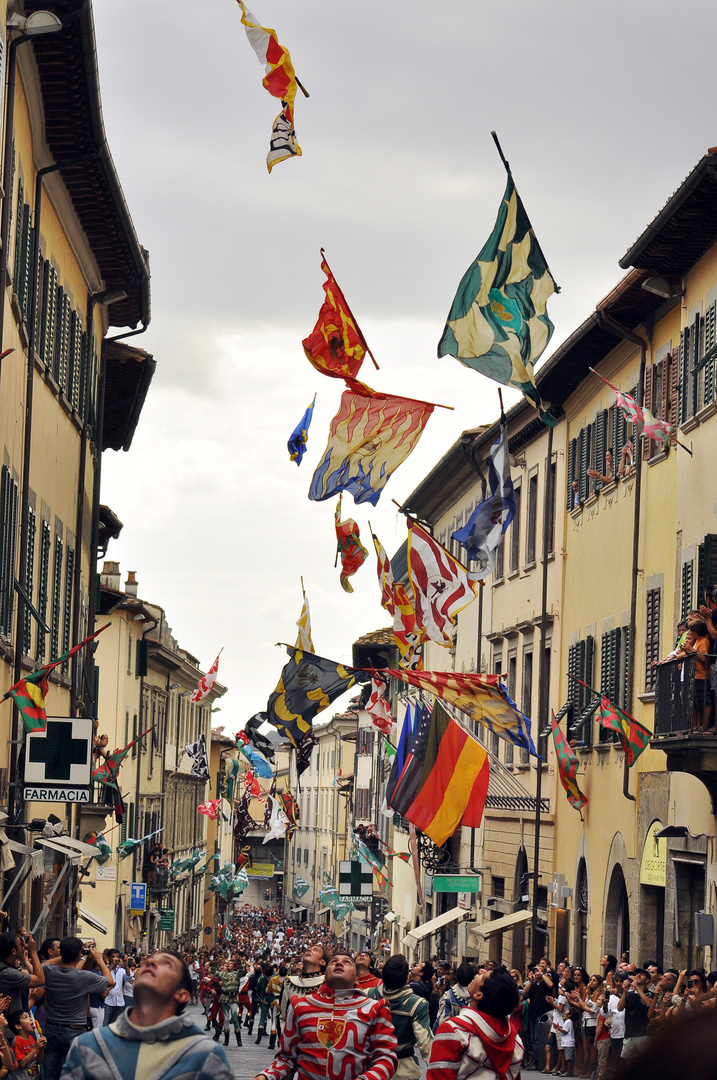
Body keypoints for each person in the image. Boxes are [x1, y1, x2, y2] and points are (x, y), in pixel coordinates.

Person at [59, 950, 233, 1080]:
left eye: (166, 964)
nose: (149, 964)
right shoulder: (88, 1046)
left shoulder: (205, 1056)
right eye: (148, 961)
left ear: (182, 995)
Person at [253, 952, 397, 1080]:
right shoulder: (300, 1006)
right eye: (333, 961)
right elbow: (286, 1059)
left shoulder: (375, 1009)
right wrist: (266, 1076)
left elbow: (386, 1058)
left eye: (347, 962)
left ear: (356, 978)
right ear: (325, 975)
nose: (339, 963)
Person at [428, 964, 523, 1080]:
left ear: (478, 995)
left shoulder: (453, 1031)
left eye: (483, 976)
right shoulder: (515, 1039)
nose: (480, 971)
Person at [42, 938, 113, 1080]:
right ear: (78, 954)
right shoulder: (84, 977)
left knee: (48, 1073)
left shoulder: (49, 971)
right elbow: (110, 981)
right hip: (74, 1029)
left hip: (51, 1027)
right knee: (74, 1073)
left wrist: (70, 953)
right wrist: (98, 959)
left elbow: (42, 964)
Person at [368, 954, 432, 1080]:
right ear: (406, 978)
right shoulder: (417, 1004)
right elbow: (426, 1044)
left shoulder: (369, 995)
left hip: (372, 1068)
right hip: (403, 1070)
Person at [278, 944, 329, 1019]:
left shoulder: (328, 982)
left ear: (322, 962)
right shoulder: (289, 982)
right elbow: (283, 1016)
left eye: (315, 950)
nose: (309, 949)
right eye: (309, 948)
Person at [0, 933, 43, 1014]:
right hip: (9, 1023)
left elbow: (34, 974)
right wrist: (33, 951)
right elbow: (40, 980)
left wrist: (25, 960)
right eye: (20, 945)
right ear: (14, 951)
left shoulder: (7, 969)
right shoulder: (7, 973)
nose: (23, 948)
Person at [617, 969, 652, 1058]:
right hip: (629, 1033)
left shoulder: (649, 994)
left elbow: (648, 1004)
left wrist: (637, 988)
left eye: (642, 974)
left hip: (643, 1033)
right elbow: (619, 1008)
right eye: (637, 974)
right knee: (626, 1061)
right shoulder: (629, 995)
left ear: (647, 980)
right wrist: (625, 991)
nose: (638, 975)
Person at [434, 963, 475, 1030]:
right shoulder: (477, 995)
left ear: (456, 977)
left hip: (453, 1034)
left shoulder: (449, 996)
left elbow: (441, 1021)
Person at [7, 1008, 45, 1079]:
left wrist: (41, 1048)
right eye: (25, 1017)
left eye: (29, 1016)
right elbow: (22, 1064)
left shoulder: (31, 1038)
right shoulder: (17, 1041)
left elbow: (39, 1061)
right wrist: (35, 1048)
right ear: (18, 1026)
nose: (31, 1019)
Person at [103, 951, 130, 1026]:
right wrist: (111, 966)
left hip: (119, 1002)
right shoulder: (105, 968)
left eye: (117, 956)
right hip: (107, 1002)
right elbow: (103, 977)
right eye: (113, 956)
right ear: (109, 958)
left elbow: (129, 977)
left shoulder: (121, 970)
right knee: (104, 1024)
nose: (115, 958)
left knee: (114, 1025)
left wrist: (125, 964)